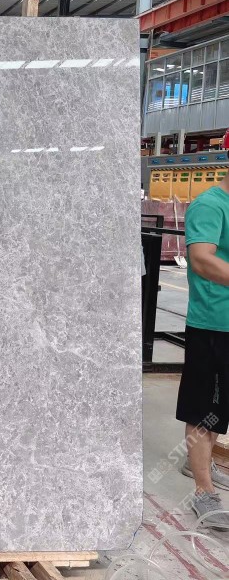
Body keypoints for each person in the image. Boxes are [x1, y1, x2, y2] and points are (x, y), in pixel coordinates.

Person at [177, 171, 229, 530]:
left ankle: (201, 461)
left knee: (220, 406)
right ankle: (202, 490)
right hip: (213, 325)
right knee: (204, 409)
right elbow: (201, 260)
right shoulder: (210, 205)